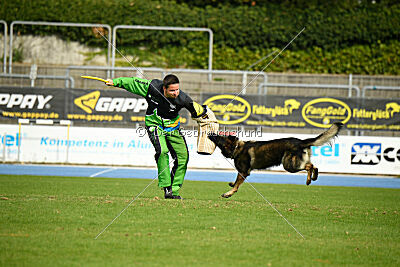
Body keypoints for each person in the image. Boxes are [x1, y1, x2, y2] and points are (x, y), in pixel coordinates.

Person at [106, 74, 205, 199]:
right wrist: (116, 82)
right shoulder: (152, 87)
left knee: (183, 157)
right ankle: (166, 187)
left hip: (173, 128)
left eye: (177, 89)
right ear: (164, 88)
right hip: (154, 125)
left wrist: (206, 118)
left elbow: (200, 112)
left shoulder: (184, 99)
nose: (176, 93)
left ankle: (174, 191)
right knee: (162, 151)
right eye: (172, 90)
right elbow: (133, 82)